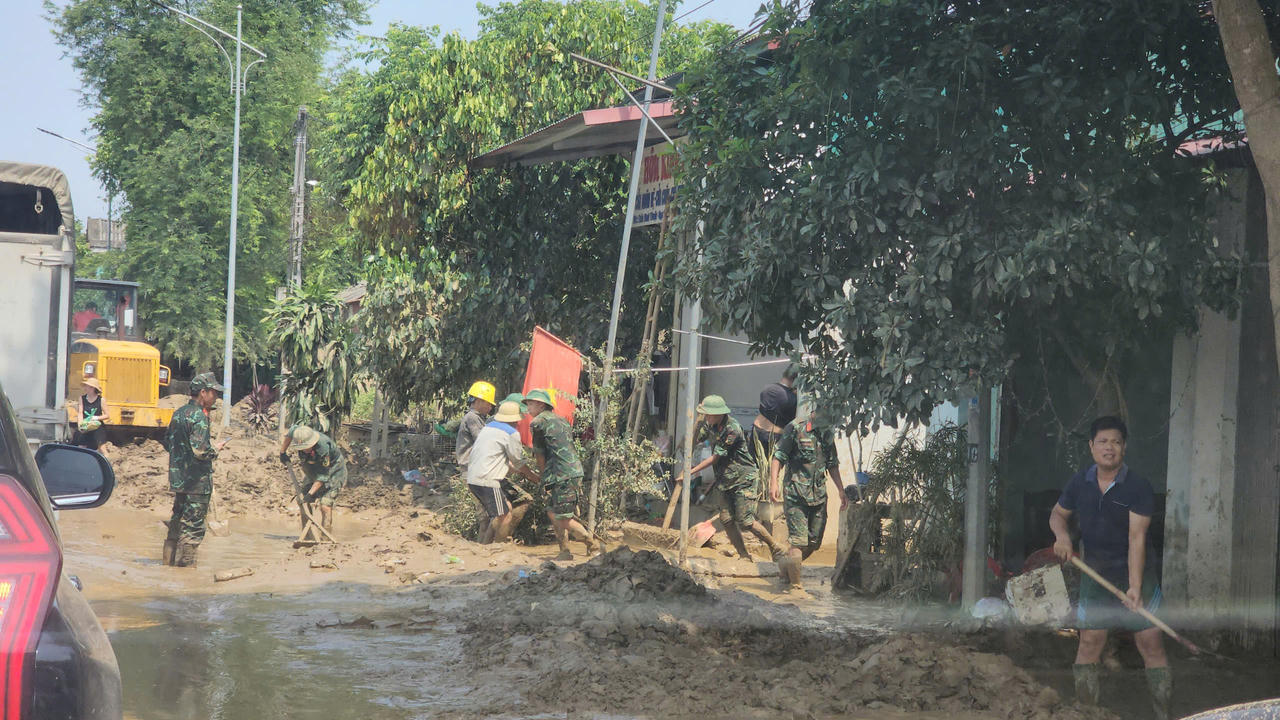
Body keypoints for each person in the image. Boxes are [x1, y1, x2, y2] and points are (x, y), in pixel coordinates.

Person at [1050, 416, 1170, 720]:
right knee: (1089, 643)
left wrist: (1134, 587)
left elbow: (1136, 538)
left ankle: (1163, 713)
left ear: (1124, 447)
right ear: (1092, 446)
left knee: (1151, 644)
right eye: (1103, 441)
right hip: (1095, 574)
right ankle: (1086, 712)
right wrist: (1062, 536)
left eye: (1116, 442)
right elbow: (1057, 514)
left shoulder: (1138, 487)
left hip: (1137, 573)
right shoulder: (1080, 482)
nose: (1109, 447)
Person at [677, 394, 783, 561]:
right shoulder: (710, 424)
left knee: (746, 521)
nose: (707, 418)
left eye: (709, 415)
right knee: (726, 519)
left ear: (719, 414)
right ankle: (743, 555)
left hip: (743, 479)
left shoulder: (732, 429)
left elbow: (716, 457)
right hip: (724, 479)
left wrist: (691, 471)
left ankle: (775, 548)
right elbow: (695, 440)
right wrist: (696, 425)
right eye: (706, 415)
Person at [769, 407, 847, 591]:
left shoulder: (827, 433)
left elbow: (832, 463)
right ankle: (795, 586)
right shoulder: (796, 428)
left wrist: (841, 490)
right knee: (798, 542)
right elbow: (778, 457)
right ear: (815, 412)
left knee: (814, 543)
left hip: (818, 496)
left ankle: (786, 566)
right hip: (795, 494)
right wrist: (773, 483)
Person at [162, 372, 227, 568]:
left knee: (176, 521)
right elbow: (201, 451)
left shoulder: (178, 413)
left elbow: (167, 442)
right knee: (193, 528)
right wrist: (216, 449)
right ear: (203, 393)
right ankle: (186, 571)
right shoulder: (199, 416)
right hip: (197, 483)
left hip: (179, 479)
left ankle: (167, 565)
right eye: (214, 393)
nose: (216, 397)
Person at [525, 388, 599, 559]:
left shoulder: (538, 422)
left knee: (563, 518)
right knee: (553, 511)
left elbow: (539, 454)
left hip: (560, 474)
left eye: (530, 404)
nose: (528, 408)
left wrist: (543, 477)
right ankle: (564, 551)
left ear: (541, 405)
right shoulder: (562, 420)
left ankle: (593, 544)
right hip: (570, 471)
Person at [466, 400, 538, 543]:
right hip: (488, 480)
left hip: (473, 478)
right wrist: (533, 476)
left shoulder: (488, 428)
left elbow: (494, 457)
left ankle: (486, 545)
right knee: (505, 516)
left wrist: (518, 471)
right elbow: (518, 461)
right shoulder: (511, 433)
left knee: (505, 509)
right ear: (515, 420)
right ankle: (499, 546)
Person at [279, 424, 346, 533]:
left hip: (333, 470)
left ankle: (325, 535)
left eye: (306, 447)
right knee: (302, 501)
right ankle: (307, 533)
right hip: (313, 469)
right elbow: (291, 431)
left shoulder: (323, 448)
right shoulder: (298, 433)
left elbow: (322, 476)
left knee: (325, 504)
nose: (304, 450)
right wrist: (282, 452)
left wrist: (310, 494)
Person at [750, 363, 799, 456]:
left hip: (757, 429)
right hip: (775, 436)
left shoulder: (767, 389)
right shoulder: (793, 399)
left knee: (754, 462)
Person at [455, 381, 497, 469]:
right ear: (478, 401)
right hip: (471, 469)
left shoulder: (478, 418)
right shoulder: (472, 417)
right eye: (488, 404)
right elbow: (483, 441)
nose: (490, 408)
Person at [73, 377, 109, 450]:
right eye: (85, 386)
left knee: (102, 448)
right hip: (85, 426)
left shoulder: (101, 400)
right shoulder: (81, 398)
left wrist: (96, 418)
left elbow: (107, 415)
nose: (85, 388)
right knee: (81, 447)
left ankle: (105, 457)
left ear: (93, 388)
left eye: (87, 386)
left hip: (97, 426)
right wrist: (80, 425)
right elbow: (80, 413)